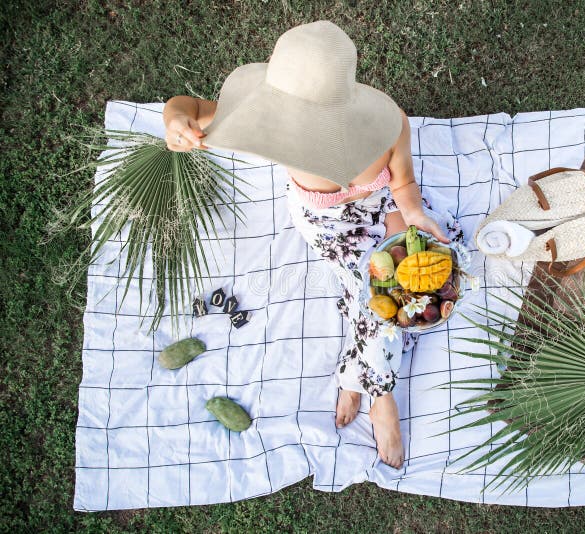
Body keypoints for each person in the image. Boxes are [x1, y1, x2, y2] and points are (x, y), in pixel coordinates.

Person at [163, 20, 461, 469]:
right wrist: (175, 122)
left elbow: (403, 184)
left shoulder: (389, 124)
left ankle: (355, 374)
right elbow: (184, 105)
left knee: (406, 286)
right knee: (373, 297)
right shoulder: (271, 122)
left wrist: (415, 216)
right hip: (325, 226)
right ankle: (381, 396)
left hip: (382, 209)